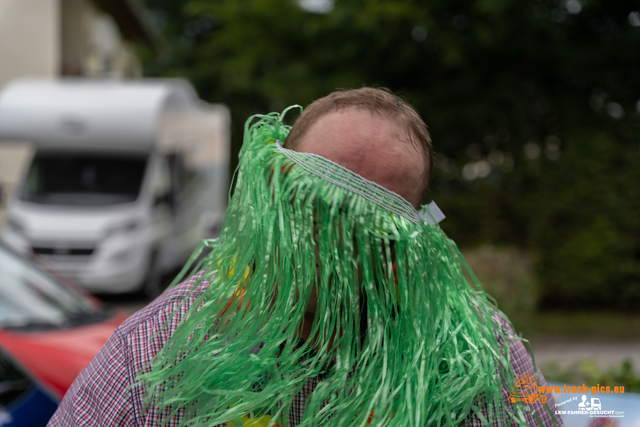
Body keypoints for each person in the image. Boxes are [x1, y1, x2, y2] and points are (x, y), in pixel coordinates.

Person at [49, 88, 561, 427]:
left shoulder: (477, 357)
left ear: (414, 241)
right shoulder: (158, 348)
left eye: (373, 229)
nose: (335, 244)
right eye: (314, 207)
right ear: (272, 190)